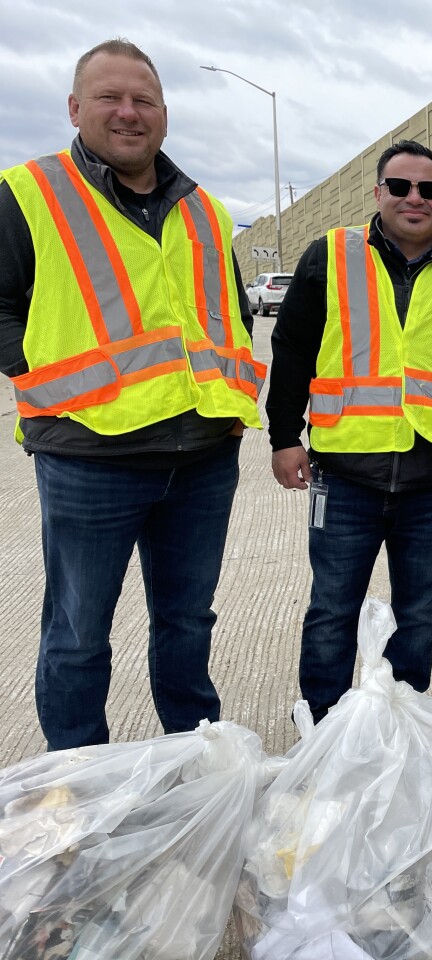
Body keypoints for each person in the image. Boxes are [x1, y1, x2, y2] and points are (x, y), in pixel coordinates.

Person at [0, 39, 264, 750]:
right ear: (75, 108)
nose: (128, 112)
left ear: (164, 114)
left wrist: (230, 409)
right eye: (110, 98)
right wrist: (31, 365)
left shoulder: (203, 209)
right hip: (90, 458)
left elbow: (232, 313)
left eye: (143, 100)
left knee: (187, 623)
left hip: (202, 455)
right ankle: (78, 783)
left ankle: (194, 761)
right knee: (79, 634)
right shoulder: (28, 193)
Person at [266, 140, 432, 722]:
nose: (413, 198)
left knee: (419, 613)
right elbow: (292, 348)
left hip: (431, 484)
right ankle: (321, 725)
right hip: (345, 477)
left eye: (428, 189)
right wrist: (282, 436)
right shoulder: (331, 255)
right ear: (378, 194)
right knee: (332, 610)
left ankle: (403, 724)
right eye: (399, 186)